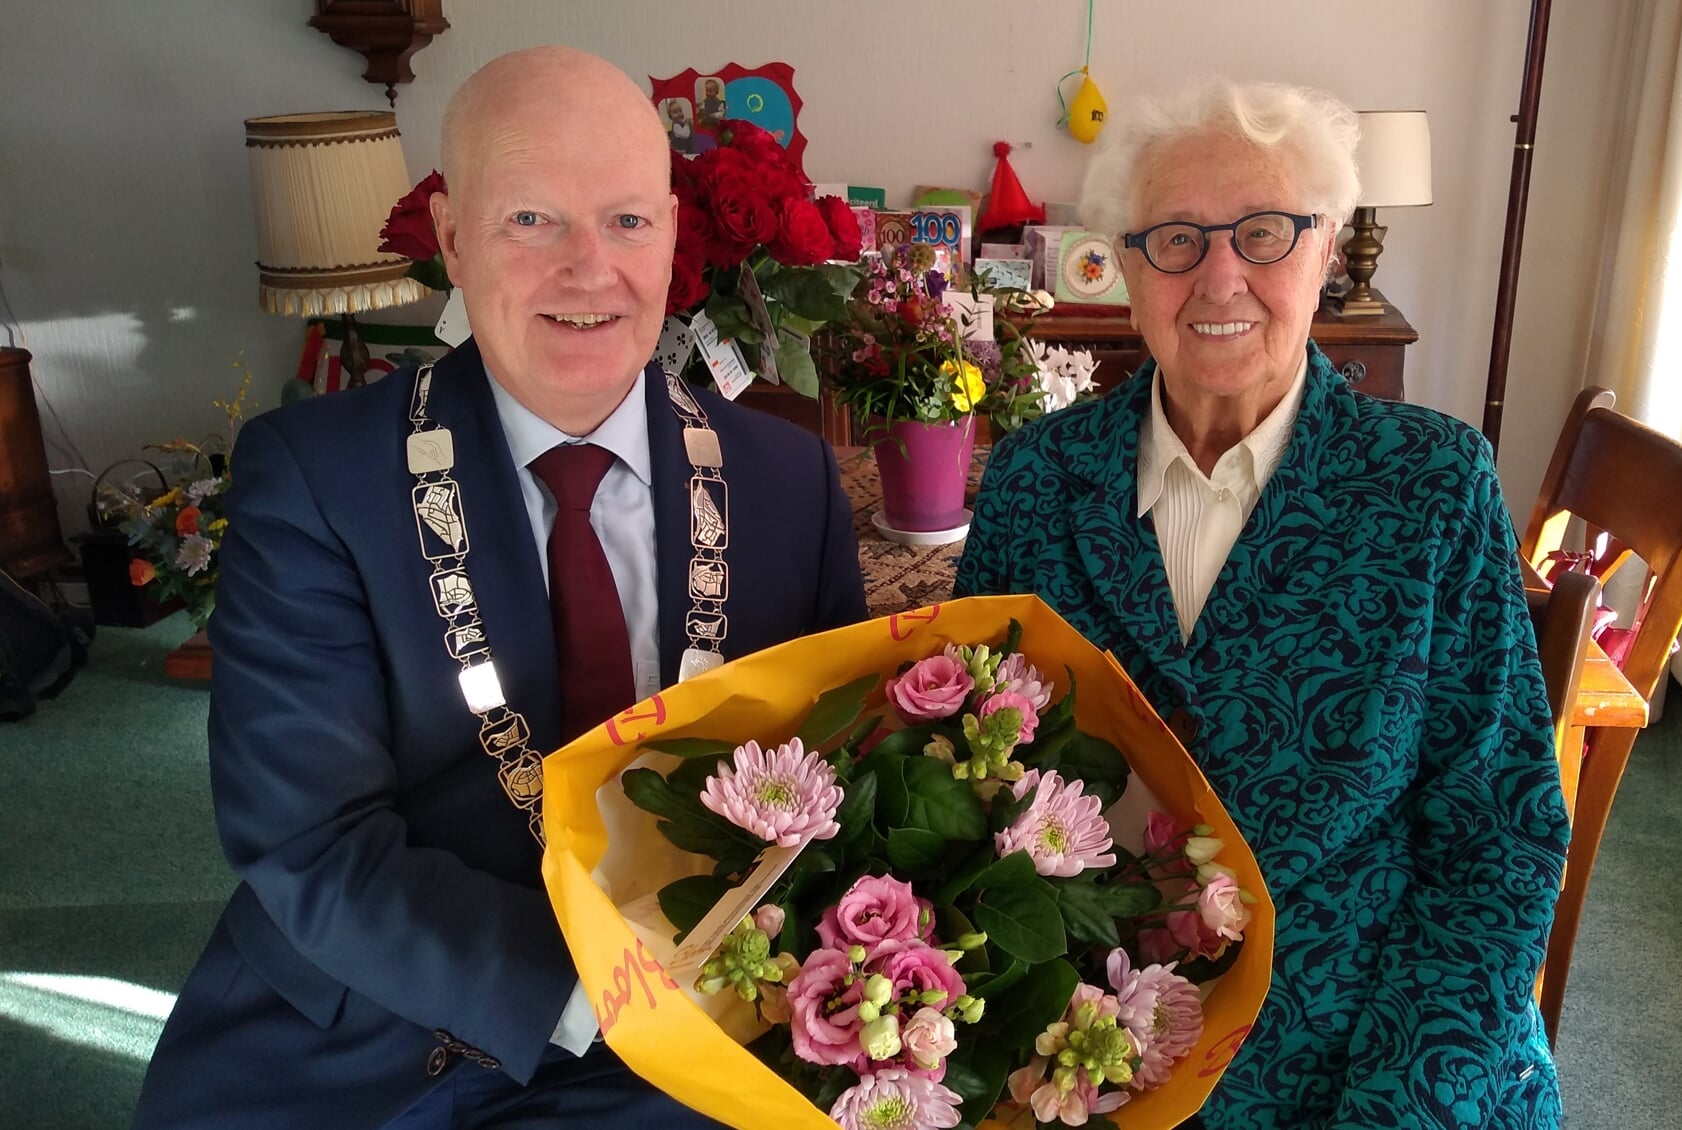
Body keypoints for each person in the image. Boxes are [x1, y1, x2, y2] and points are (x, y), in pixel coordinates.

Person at [132, 47, 865, 1129]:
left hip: (708, 1028)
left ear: (673, 234)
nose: (589, 269)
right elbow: (310, 838)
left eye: (626, 221)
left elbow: (842, 783)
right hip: (377, 1035)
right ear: (453, 240)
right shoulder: (315, 476)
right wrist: (601, 1000)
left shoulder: (786, 478)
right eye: (532, 220)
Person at [956, 79, 1571, 1128]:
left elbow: (1496, 837)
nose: (1219, 276)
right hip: (1083, 1048)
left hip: (1361, 1045)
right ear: (1126, 267)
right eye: (1176, 239)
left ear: (1327, 250)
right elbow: (972, 777)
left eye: (1263, 232)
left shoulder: (1431, 486)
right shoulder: (1033, 480)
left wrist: (1391, 1103)